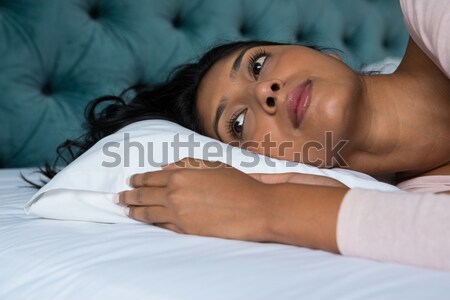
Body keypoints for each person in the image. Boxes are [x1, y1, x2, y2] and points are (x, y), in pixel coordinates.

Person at [29, 0, 450, 270]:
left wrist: (267, 208)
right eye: (238, 124)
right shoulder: (421, 205)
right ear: (269, 161)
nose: (265, 92)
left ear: (317, 52)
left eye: (259, 64)